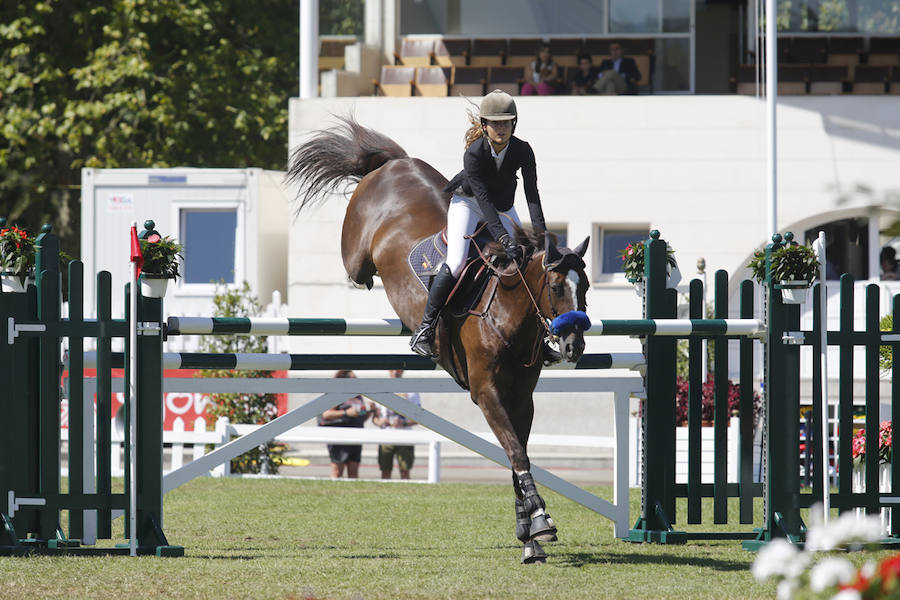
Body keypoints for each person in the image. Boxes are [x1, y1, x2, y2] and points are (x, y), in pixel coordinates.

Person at [409, 89, 548, 358]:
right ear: (484, 125)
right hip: (470, 204)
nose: (501, 128)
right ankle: (425, 329)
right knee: (457, 262)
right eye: (495, 123)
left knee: (529, 260)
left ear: (514, 124)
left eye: (506, 122)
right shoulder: (473, 154)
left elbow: (532, 194)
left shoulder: (523, 150)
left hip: (504, 206)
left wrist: (540, 236)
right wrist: (505, 240)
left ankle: (540, 337)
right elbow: (484, 202)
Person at [317, 370, 372, 478]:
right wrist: (346, 413)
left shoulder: (358, 396)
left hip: (356, 435)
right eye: (354, 380)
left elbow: (361, 417)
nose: (357, 382)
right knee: (337, 471)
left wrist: (369, 411)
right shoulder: (336, 394)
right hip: (339, 436)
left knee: (354, 472)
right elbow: (326, 414)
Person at [373, 369, 421, 480]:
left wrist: (404, 422)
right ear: (388, 371)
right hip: (386, 436)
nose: (395, 372)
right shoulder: (380, 389)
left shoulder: (411, 391)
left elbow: (419, 417)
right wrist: (379, 422)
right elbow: (375, 417)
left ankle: (405, 494)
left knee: (405, 471)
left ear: (402, 371)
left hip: (405, 436)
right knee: (385, 471)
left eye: (398, 369)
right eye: (392, 369)